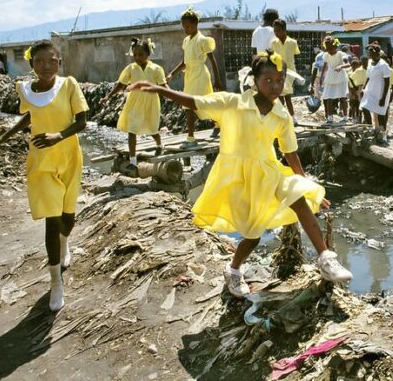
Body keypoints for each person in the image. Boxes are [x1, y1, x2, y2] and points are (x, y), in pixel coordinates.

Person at [128, 50, 353, 297]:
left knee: (299, 198)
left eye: (279, 80)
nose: (274, 86)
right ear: (254, 81)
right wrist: (161, 90)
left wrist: (307, 185)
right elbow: (196, 102)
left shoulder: (282, 115)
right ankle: (233, 269)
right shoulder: (233, 104)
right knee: (253, 235)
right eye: (268, 80)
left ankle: (325, 259)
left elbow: (290, 153)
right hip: (238, 177)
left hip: (269, 171)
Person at [0, 40, 88, 311]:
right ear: (32, 64)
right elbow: (29, 117)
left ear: (59, 62)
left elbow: (82, 121)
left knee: (68, 219)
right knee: (52, 222)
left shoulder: (68, 85)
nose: (46, 66)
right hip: (40, 162)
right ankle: (55, 281)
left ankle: (65, 243)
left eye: (51, 61)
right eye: (40, 62)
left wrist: (59, 135)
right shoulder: (26, 90)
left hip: (69, 159)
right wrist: (1, 139)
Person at [100, 38, 166, 174]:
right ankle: (133, 161)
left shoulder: (156, 69)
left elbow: (163, 86)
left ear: (148, 54)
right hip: (134, 102)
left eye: (140, 54)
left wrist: (174, 96)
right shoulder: (130, 68)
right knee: (132, 130)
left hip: (151, 102)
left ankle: (159, 144)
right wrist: (108, 96)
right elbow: (121, 84)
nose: (137, 57)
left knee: (152, 128)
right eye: (135, 55)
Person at [167, 7, 222, 148]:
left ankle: (191, 138)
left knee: (190, 105)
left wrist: (217, 80)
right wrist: (172, 73)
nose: (185, 29)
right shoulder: (186, 41)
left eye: (188, 26)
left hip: (200, 75)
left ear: (196, 24)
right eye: (184, 27)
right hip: (190, 75)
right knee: (204, 103)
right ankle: (219, 122)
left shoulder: (202, 40)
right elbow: (185, 62)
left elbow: (212, 60)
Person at [310, 36, 350, 125]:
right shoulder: (326, 55)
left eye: (331, 48)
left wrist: (341, 66)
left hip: (341, 77)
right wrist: (321, 78)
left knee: (342, 97)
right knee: (328, 97)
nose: (329, 51)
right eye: (327, 49)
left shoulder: (341, 54)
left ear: (335, 47)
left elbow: (348, 64)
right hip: (330, 77)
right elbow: (325, 66)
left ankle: (345, 117)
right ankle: (330, 118)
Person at [271, 19, 305, 124]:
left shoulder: (292, 43)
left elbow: (297, 57)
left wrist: (299, 72)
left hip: (290, 72)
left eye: (278, 31)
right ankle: (282, 117)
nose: (276, 33)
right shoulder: (273, 43)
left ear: (284, 30)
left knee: (288, 95)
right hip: (278, 71)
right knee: (280, 95)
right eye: (275, 31)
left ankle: (293, 117)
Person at [360, 43, 391, 144]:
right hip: (370, 90)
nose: (370, 56)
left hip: (381, 92)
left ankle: (383, 135)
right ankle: (370, 129)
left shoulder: (384, 65)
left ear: (377, 54)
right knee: (364, 107)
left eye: (372, 54)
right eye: (369, 54)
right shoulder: (369, 62)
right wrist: (364, 87)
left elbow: (387, 82)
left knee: (381, 115)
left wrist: (383, 97)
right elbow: (368, 76)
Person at [347, 57, 367, 123]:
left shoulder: (361, 71)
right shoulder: (350, 73)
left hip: (359, 89)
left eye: (356, 66)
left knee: (359, 104)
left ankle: (359, 117)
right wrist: (352, 90)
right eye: (353, 66)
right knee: (352, 104)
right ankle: (352, 117)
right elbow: (349, 82)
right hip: (352, 90)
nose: (354, 67)